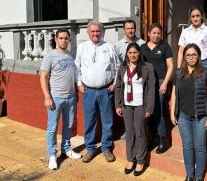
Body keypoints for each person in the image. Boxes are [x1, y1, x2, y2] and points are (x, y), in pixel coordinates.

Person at [75, 20, 121, 163]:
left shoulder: (109, 47)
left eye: (98, 31)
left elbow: (118, 67)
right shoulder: (82, 47)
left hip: (105, 91)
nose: (95, 33)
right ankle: (90, 149)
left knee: (107, 122)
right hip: (88, 91)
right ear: (88, 33)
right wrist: (79, 84)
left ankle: (106, 149)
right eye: (92, 31)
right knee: (90, 121)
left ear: (102, 32)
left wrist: (114, 83)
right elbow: (77, 67)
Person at [170, 43, 207, 181]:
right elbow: (174, 94)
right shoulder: (178, 73)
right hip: (183, 115)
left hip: (200, 116)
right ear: (184, 57)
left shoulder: (205, 72)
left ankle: (199, 176)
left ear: (199, 56)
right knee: (187, 146)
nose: (191, 57)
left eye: (194, 54)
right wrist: (172, 113)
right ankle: (189, 175)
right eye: (188, 55)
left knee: (200, 147)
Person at [40, 29, 82, 170]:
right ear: (56, 39)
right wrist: (47, 97)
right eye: (61, 38)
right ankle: (52, 155)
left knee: (68, 126)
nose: (64, 40)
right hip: (55, 98)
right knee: (52, 128)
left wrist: (77, 91)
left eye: (66, 38)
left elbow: (76, 75)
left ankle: (66, 149)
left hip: (70, 97)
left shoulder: (71, 55)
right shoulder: (50, 56)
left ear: (69, 40)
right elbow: (43, 77)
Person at [115, 43, 155, 176]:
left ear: (139, 53)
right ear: (127, 54)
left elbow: (151, 89)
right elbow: (119, 87)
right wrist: (118, 105)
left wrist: (149, 107)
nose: (133, 55)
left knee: (139, 132)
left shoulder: (147, 67)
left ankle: (140, 160)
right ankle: (130, 159)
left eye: (135, 52)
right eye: (130, 52)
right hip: (127, 105)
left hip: (140, 105)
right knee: (130, 132)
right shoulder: (122, 68)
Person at [140, 23, 174, 154]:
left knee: (158, 110)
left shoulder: (165, 47)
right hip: (146, 83)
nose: (156, 35)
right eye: (153, 33)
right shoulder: (142, 47)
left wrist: (165, 83)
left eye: (158, 33)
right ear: (149, 34)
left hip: (160, 82)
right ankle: (152, 138)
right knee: (148, 111)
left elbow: (170, 66)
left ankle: (162, 140)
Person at [115, 20, 146, 140]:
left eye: (132, 28)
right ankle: (127, 130)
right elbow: (116, 65)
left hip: (138, 81)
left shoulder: (142, 43)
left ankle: (140, 133)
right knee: (126, 107)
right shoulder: (118, 46)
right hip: (124, 81)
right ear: (124, 30)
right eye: (128, 28)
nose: (131, 30)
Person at [177, 6, 207, 71]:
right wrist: (178, 68)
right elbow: (180, 51)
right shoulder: (185, 32)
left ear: (202, 16)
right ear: (190, 18)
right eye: (193, 16)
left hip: (203, 63)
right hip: (188, 63)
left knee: (201, 81)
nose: (195, 18)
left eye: (197, 16)